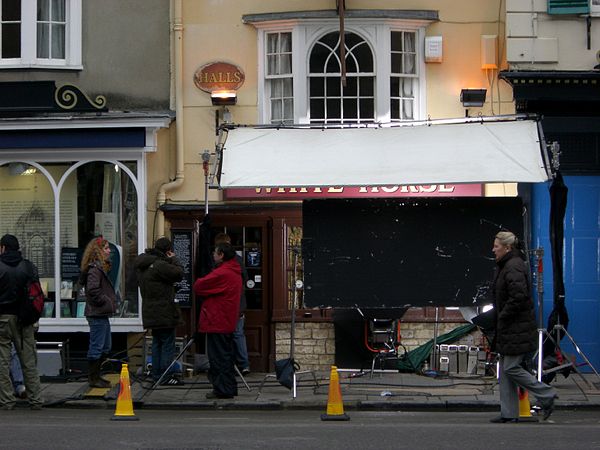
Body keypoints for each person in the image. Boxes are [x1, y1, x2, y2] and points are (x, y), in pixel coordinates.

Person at [490, 230, 557, 423]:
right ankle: (508, 413)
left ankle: (546, 393)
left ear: (507, 247)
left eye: (496, 246)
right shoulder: (507, 265)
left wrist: (503, 316)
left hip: (515, 326)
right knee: (504, 369)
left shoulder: (513, 266)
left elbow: (518, 296)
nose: (493, 249)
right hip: (510, 326)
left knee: (510, 367)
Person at [193, 242, 242, 399]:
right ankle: (228, 387)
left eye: (215, 252)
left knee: (218, 357)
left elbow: (199, 286)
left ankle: (223, 389)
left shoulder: (223, 273)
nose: (213, 255)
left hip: (217, 319)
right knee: (225, 355)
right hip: (225, 319)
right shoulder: (234, 271)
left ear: (221, 255)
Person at [0, 234, 43, 409]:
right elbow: (37, 294)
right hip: (25, 319)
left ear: (3, 248)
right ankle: (36, 399)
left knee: (3, 361)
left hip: (3, 318)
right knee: (28, 361)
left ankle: (7, 400)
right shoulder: (28, 266)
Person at [134, 237, 184, 385]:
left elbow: (156, 284)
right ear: (168, 251)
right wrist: (174, 259)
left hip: (150, 309)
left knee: (157, 342)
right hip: (164, 311)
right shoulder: (159, 265)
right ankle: (165, 376)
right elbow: (179, 273)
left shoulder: (144, 264)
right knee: (167, 343)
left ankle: (156, 374)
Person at [79, 236, 117, 389]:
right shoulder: (95, 269)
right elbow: (93, 290)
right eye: (106, 248)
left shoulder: (99, 267)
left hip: (101, 313)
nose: (109, 251)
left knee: (106, 346)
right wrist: (106, 301)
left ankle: (96, 376)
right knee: (97, 346)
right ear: (99, 251)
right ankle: (93, 378)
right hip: (97, 314)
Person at [214, 233, 250, 375]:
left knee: (227, 335)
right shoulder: (239, 260)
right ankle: (244, 364)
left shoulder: (220, 264)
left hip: (226, 304)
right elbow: (245, 278)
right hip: (239, 303)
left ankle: (228, 364)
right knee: (238, 334)